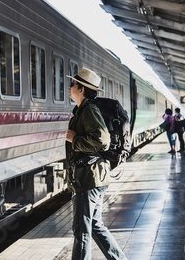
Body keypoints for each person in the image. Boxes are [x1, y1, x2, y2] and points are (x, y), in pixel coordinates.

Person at [65, 67, 127, 260]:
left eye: (73, 84)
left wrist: (75, 140)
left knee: (82, 230)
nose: (69, 87)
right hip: (93, 176)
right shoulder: (82, 110)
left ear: (81, 89)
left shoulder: (89, 109)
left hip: (89, 178)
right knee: (95, 225)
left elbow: (102, 140)